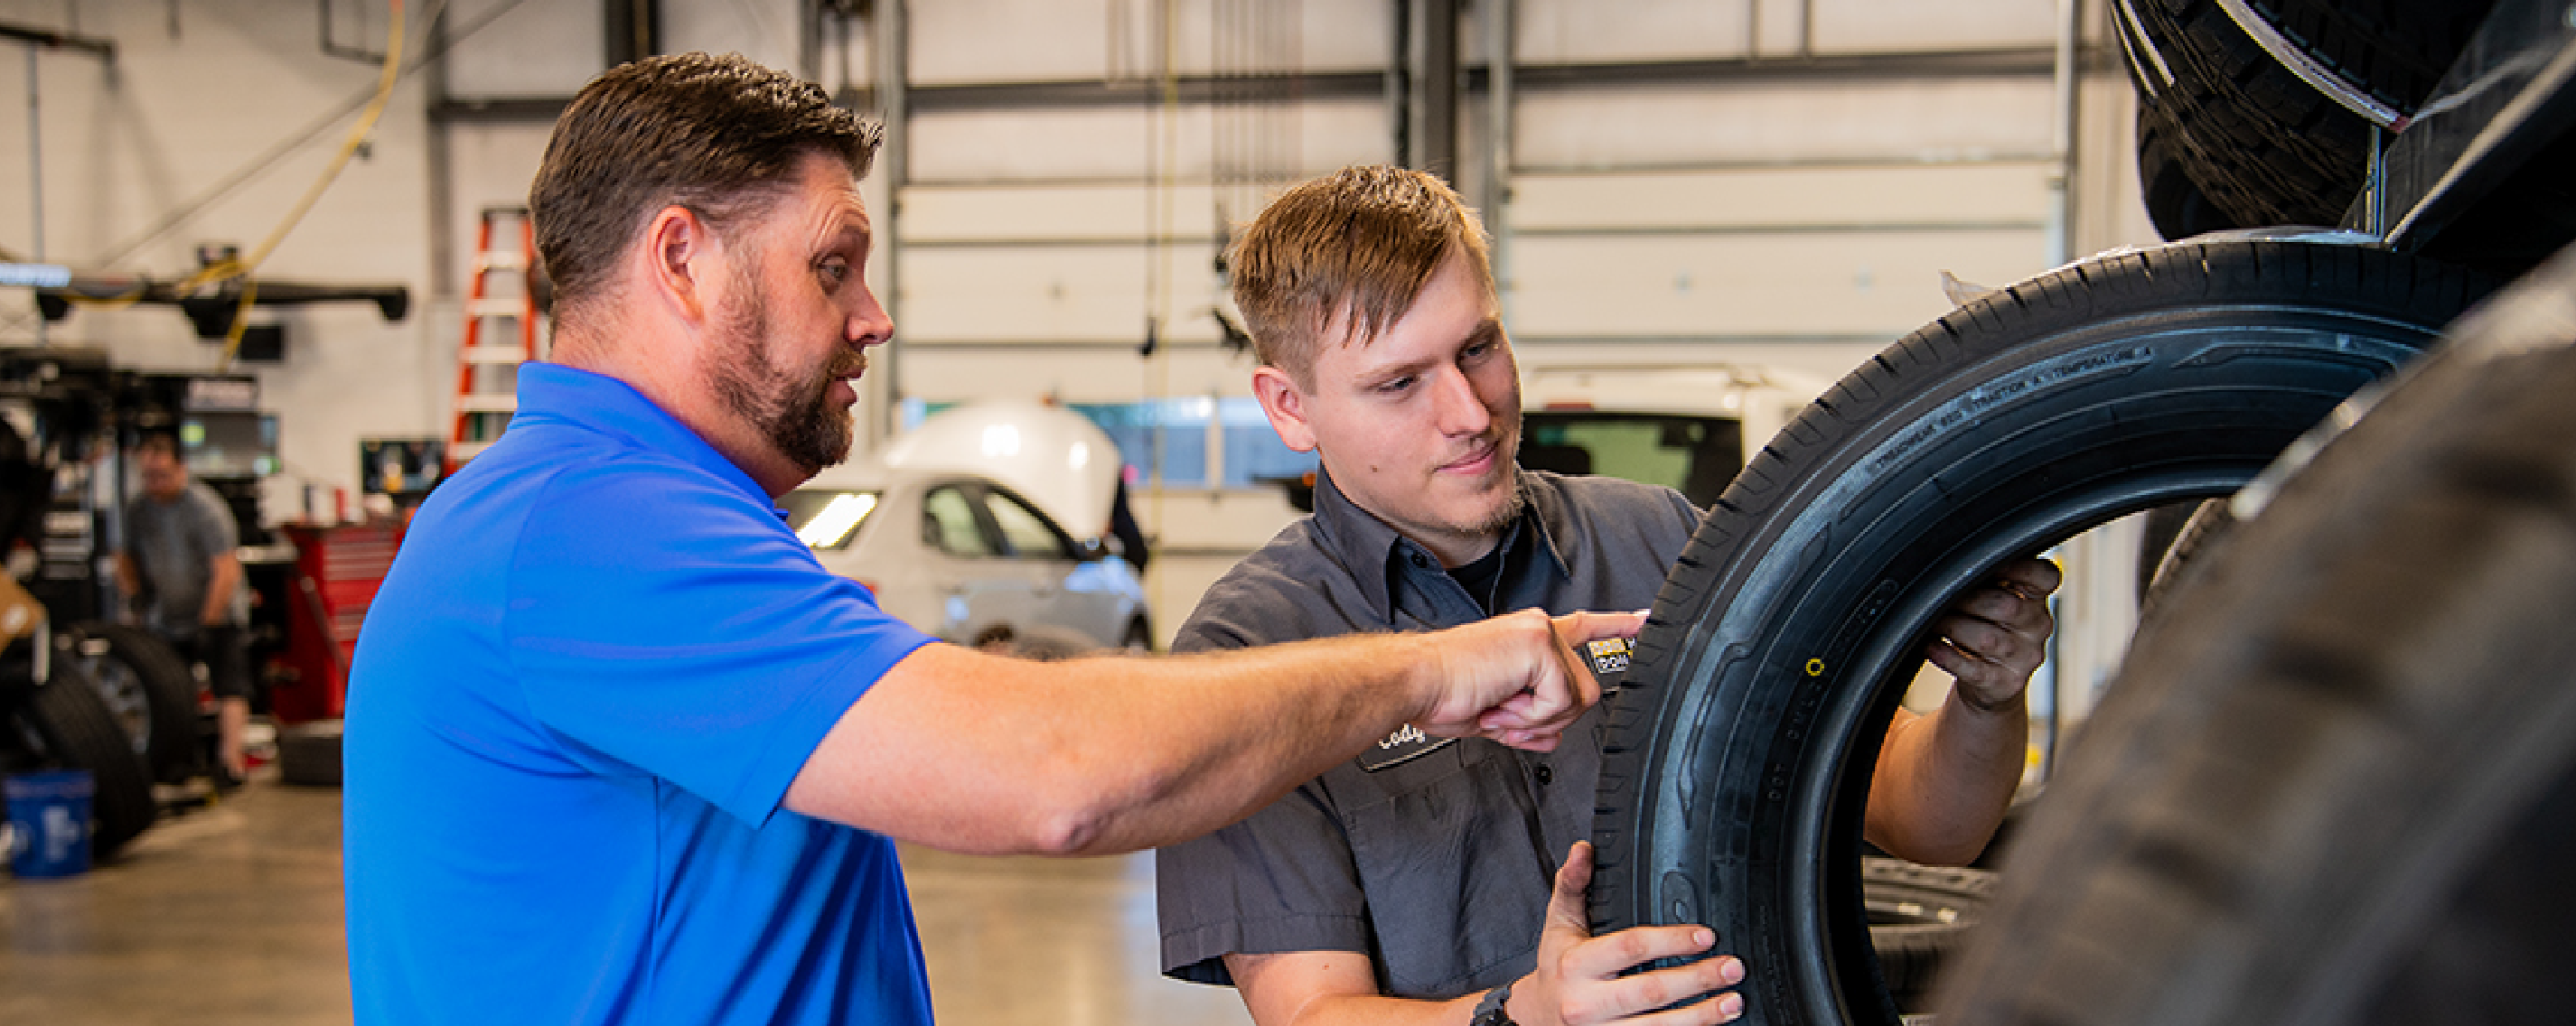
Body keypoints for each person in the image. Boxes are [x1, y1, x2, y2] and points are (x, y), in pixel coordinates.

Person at [342, 54, 1642, 1026]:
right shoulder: (584, 530)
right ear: (679, 260)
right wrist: (1430, 668)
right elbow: (1061, 776)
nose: (876, 316)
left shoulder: (637, 519)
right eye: (833, 266)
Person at [1154, 166, 2061, 1026]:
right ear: (1287, 406)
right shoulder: (1249, 656)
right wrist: (1519, 1013)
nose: (1470, 411)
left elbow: (1920, 818)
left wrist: (1985, 691)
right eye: (1399, 382)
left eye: (1479, 347)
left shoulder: (1663, 544)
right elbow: (1313, 1009)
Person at [114, 428, 253, 784]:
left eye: (162, 475)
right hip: (167, 617)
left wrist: (208, 623)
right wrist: (135, 600)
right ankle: (175, 761)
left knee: (229, 685)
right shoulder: (138, 510)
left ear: (181, 469)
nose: (155, 483)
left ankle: (230, 763)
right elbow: (123, 556)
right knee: (167, 689)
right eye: (148, 477)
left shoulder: (204, 508)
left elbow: (225, 569)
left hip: (217, 611)